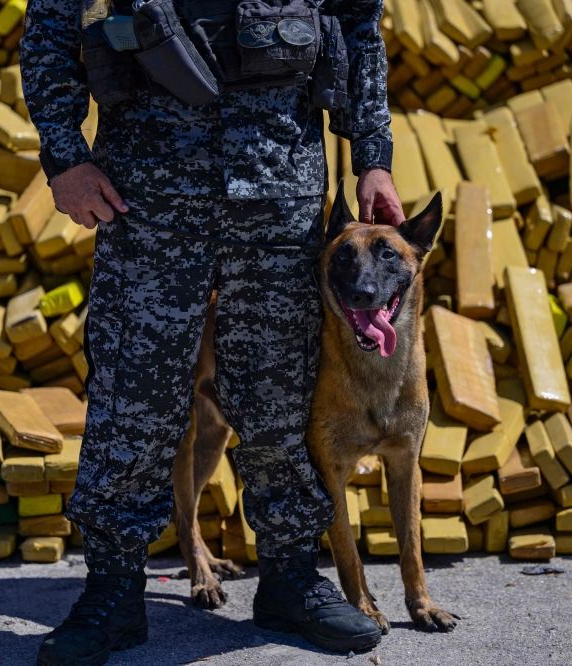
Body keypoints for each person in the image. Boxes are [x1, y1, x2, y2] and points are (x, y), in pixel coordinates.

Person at [20, 1, 403, 663]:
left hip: (279, 190)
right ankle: (113, 590)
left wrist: (374, 155)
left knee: (282, 394)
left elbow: (357, 19)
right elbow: (51, 28)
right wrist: (65, 158)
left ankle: (289, 576)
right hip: (147, 196)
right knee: (132, 399)